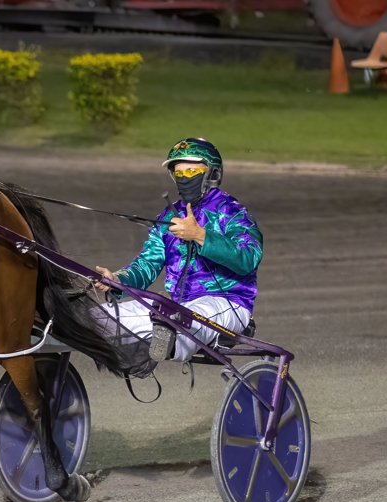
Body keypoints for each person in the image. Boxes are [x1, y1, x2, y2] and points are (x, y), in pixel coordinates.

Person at [94, 138, 262, 362]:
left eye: (192, 171)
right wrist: (117, 281)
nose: (185, 178)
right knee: (94, 317)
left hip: (227, 302)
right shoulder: (168, 217)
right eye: (179, 173)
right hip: (174, 305)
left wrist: (200, 235)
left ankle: (170, 334)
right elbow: (147, 264)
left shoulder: (232, 212)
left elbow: (248, 258)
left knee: (184, 317)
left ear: (212, 174)